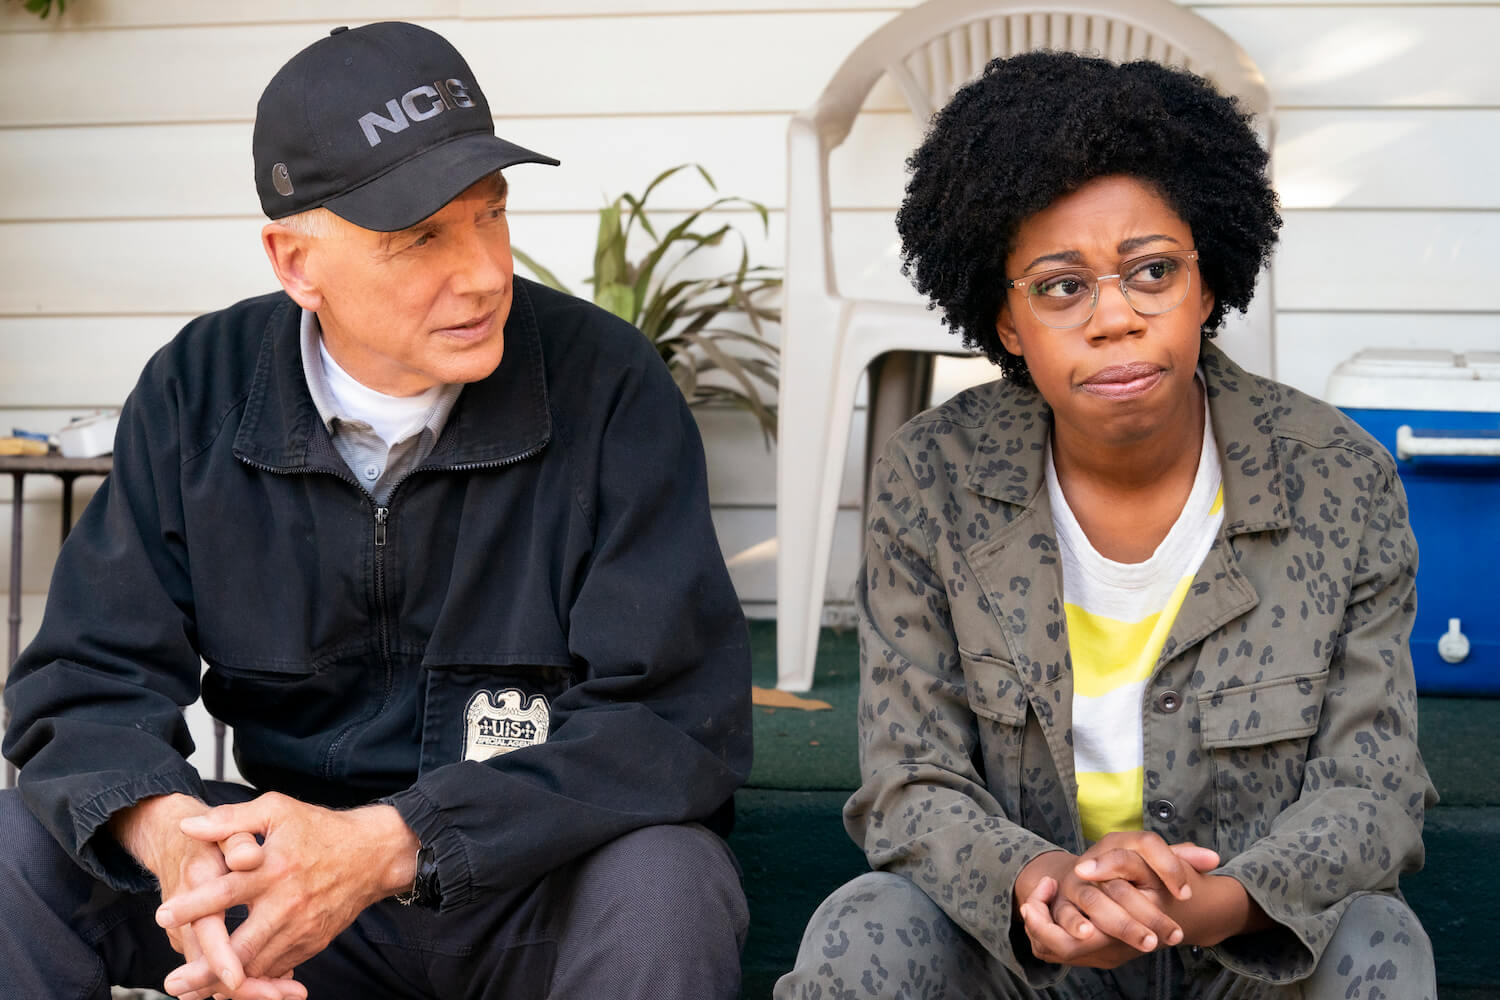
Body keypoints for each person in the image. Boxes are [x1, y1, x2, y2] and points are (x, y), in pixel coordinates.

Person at [1, 21, 751, 1000]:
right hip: (283, 887)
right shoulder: (197, 391)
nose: (484, 271)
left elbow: (671, 722)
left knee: (669, 878)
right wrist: (182, 850)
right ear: (296, 264)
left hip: (524, 886)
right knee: (20, 848)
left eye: (491, 213)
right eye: (422, 237)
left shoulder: (608, 385)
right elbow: (85, 685)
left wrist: (392, 842)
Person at [777, 51, 1436, 999]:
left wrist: (1204, 904)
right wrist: (1043, 885)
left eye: (1153, 271)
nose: (1115, 317)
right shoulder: (934, 478)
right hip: (1028, 955)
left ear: (1208, 286)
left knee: (1378, 937)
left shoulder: (1339, 478)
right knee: (865, 925)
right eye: (1059, 286)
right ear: (1005, 322)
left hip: (1246, 952)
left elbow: (1374, 795)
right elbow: (907, 779)